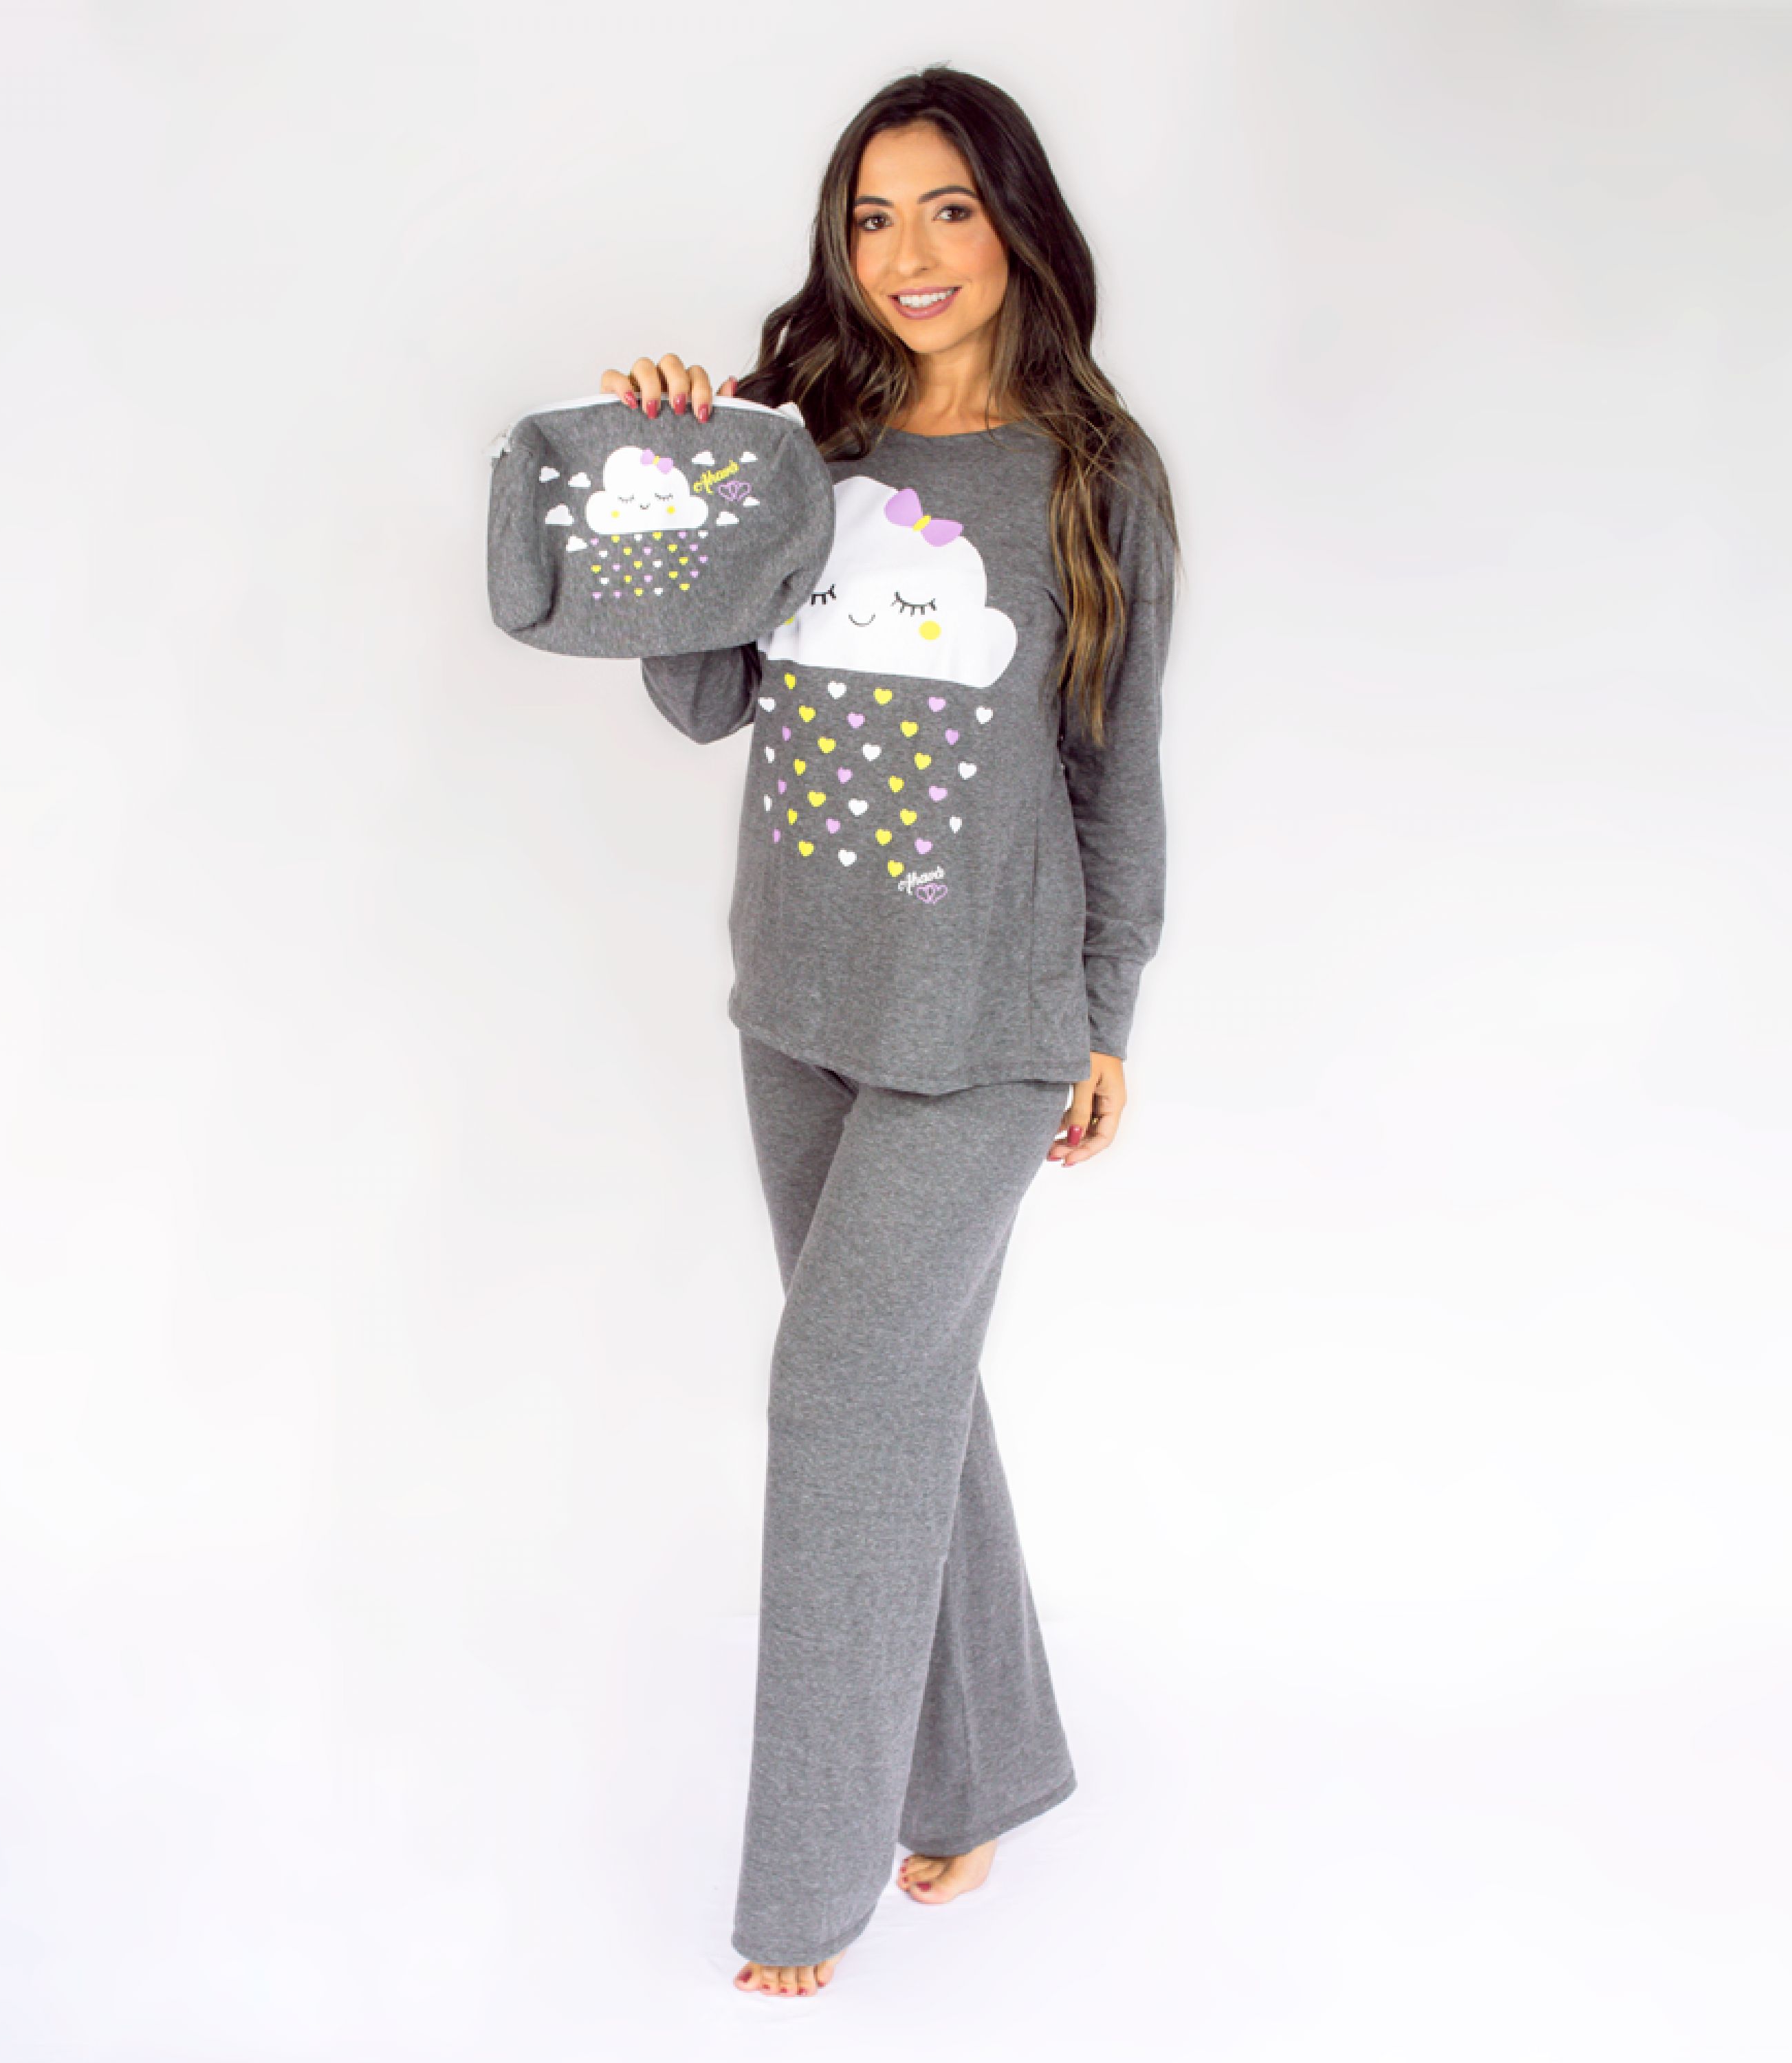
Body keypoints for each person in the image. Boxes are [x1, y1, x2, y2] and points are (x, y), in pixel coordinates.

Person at [598, 65, 1180, 1999]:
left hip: (989, 1024)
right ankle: (986, 1766)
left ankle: (807, 1886)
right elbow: (704, 700)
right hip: (800, 1000)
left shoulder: (1094, 480)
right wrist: (689, 475)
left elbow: (1115, 774)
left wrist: (1106, 1012)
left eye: (948, 209)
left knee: (840, 1401)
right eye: (872, 216)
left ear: (1015, 222)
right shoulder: (810, 444)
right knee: (908, 1392)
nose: (909, 253)